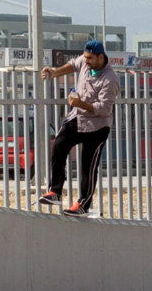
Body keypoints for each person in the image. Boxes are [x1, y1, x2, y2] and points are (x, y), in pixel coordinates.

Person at [37, 39, 118, 217]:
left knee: (88, 166)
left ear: (100, 57)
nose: (86, 61)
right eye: (85, 57)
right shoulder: (84, 61)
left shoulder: (110, 79)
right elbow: (73, 65)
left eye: (89, 58)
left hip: (97, 126)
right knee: (59, 145)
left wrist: (80, 103)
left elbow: (104, 109)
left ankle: (83, 204)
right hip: (77, 117)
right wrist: (55, 72)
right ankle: (55, 191)